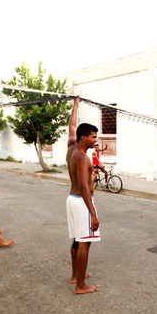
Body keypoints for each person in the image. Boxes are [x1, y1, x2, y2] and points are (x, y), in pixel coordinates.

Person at [67, 96, 101, 294]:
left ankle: (75, 275)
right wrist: (93, 213)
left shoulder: (72, 145)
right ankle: (80, 285)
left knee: (77, 240)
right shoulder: (81, 156)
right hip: (82, 201)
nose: (95, 140)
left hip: (72, 200)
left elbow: (71, 127)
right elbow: (83, 185)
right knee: (85, 242)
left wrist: (75, 106)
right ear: (84, 138)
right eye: (93, 137)